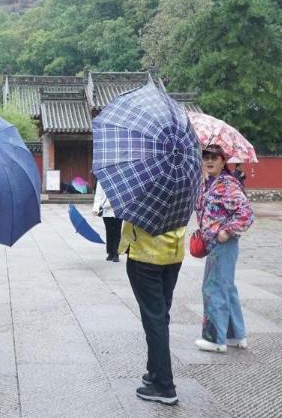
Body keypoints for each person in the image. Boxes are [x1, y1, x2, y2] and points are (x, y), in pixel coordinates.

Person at [195, 144, 254, 353]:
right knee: (226, 288)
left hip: (223, 243)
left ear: (223, 160)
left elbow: (246, 213)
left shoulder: (227, 184)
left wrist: (226, 231)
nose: (209, 161)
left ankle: (215, 339)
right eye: (206, 157)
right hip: (215, 244)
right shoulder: (210, 183)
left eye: (214, 157)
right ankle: (235, 336)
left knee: (213, 288)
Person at [121, 214, 185, 405]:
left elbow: (128, 212)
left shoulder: (144, 185)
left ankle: (164, 386)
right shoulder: (185, 184)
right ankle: (155, 371)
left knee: (154, 318)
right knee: (160, 315)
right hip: (173, 252)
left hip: (146, 254)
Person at [92, 181, 121, 262]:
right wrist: (96, 208)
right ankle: (110, 252)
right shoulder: (101, 179)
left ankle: (116, 253)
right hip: (106, 210)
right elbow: (98, 194)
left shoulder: (120, 178)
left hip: (118, 209)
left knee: (117, 231)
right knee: (109, 231)